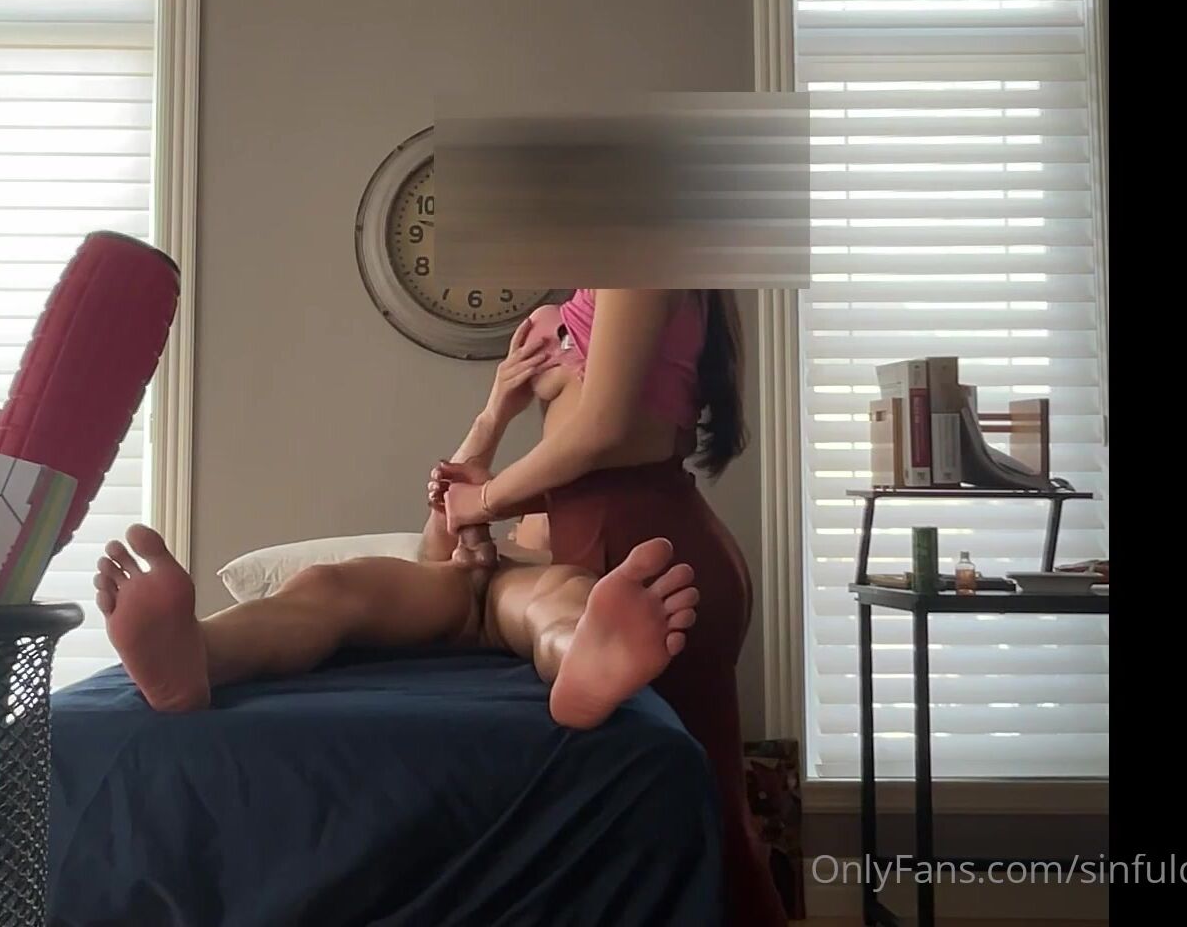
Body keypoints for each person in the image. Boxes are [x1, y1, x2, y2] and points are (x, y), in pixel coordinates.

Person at [95, 288, 786, 927]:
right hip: (486, 578)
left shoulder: (630, 304)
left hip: (545, 574)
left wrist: (485, 503)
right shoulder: (539, 445)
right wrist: (494, 415)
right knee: (331, 585)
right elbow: (436, 546)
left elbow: (589, 440)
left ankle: (583, 664)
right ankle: (199, 652)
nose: (550, 355)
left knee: (560, 605)